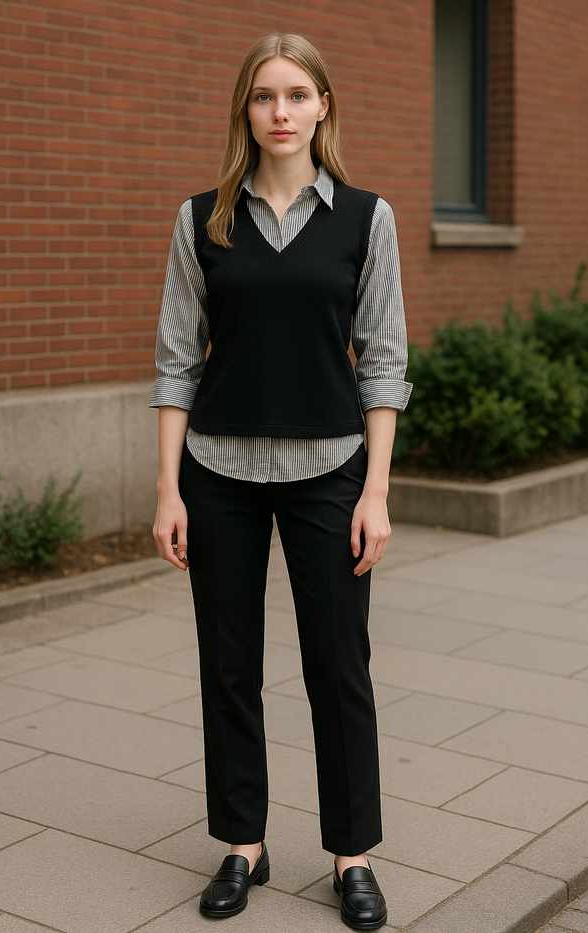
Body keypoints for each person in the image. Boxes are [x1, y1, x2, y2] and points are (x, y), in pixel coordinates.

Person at [150, 32, 412, 930]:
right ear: (247, 111)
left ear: (322, 106)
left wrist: (375, 491)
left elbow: (383, 363)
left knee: (339, 668)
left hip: (330, 473)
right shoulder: (202, 220)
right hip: (217, 471)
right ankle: (241, 843)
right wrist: (166, 489)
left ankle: (352, 855)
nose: (282, 111)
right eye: (265, 96)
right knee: (229, 665)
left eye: (298, 94)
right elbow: (177, 363)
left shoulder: (365, 217)